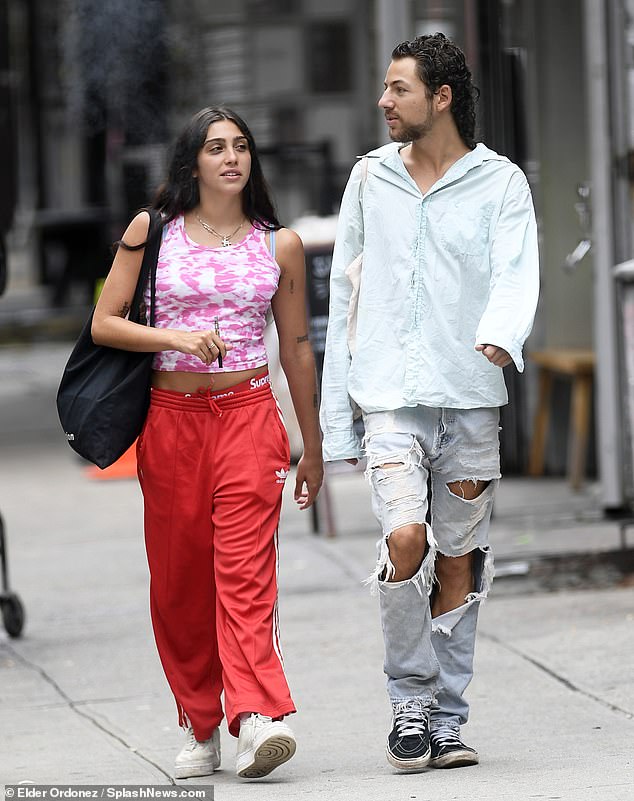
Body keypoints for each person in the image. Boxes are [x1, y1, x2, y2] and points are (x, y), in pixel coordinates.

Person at [320, 33, 539, 772]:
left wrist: (502, 333)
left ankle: (446, 720)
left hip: (472, 399)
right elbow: (343, 295)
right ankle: (408, 698)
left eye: (398, 88)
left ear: (440, 98)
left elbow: (515, 272)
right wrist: (333, 422)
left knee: (458, 562)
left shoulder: (501, 183)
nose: (383, 101)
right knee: (406, 536)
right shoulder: (368, 179)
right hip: (389, 399)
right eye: (385, 87)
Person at [92, 106, 324, 780]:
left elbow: (299, 348)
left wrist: (311, 443)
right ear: (192, 160)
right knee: (179, 581)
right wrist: (175, 339)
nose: (231, 158)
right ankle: (198, 720)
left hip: (249, 416)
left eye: (242, 146)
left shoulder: (278, 244)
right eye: (216, 147)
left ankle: (257, 716)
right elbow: (106, 321)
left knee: (245, 576)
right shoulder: (152, 232)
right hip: (171, 419)